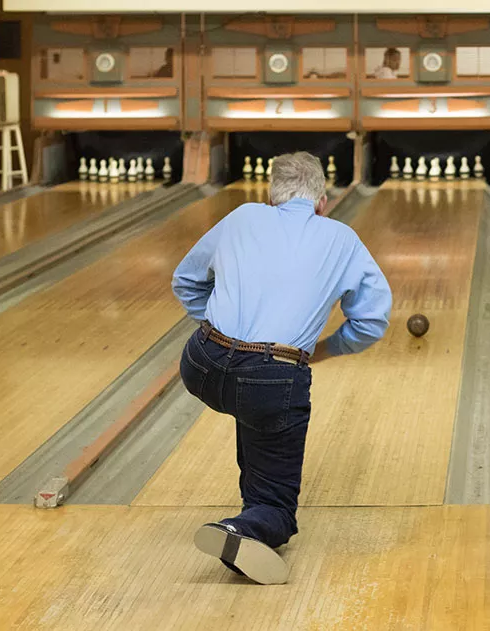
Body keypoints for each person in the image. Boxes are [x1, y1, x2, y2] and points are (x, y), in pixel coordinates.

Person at [172, 151, 392, 584]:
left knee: (250, 400)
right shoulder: (342, 237)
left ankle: (251, 515)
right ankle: (249, 523)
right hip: (272, 377)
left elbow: (186, 280)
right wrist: (324, 349)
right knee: (277, 500)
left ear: (271, 196)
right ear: (322, 201)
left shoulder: (242, 216)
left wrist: (217, 327)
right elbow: (371, 321)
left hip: (200, 363)